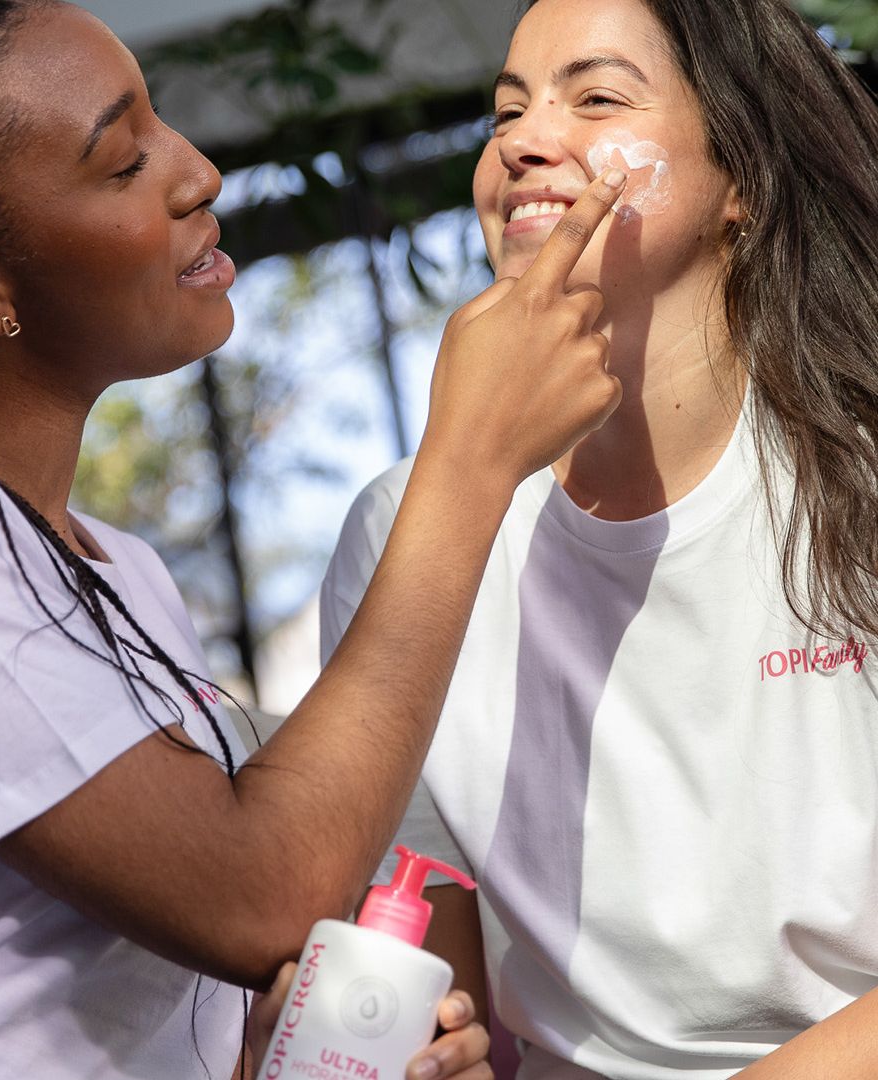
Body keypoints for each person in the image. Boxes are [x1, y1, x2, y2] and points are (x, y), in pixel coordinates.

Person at [0, 1, 630, 1078]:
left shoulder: (122, 575)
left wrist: (294, 1051)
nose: (196, 174)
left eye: (164, 124)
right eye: (122, 161)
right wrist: (468, 463)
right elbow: (255, 896)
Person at [321, 0, 878, 1077]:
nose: (522, 139)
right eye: (504, 111)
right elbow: (423, 933)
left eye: (596, 97)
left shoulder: (853, 479)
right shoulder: (406, 526)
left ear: (743, 183)